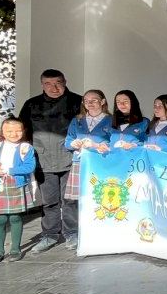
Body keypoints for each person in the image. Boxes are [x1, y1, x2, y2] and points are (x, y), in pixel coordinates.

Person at [18, 69, 83, 255]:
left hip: (71, 159)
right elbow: (23, 130)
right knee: (49, 202)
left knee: (71, 200)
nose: (54, 88)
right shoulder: (31, 104)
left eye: (58, 83)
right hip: (43, 160)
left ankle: (72, 233)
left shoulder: (78, 102)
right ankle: (49, 235)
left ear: (65, 82)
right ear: (42, 85)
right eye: (48, 84)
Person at [0, 117, 36, 265]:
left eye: (18, 131)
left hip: (15, 184)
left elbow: (29, 167)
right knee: (0, 219)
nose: (14, 134)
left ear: (23, 131)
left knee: (15, 218)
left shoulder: (26, 148)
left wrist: (6, 170)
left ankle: (15, 249)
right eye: (9, 131)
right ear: (2, 132)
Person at [60, 89, 113, 250]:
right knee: (73, 200)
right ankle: (72, 234)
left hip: (100, 165)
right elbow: (68, 140)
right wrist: (73, 143)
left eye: (94, 100)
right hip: (79, 162)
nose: (89, 103)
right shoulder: (77, 120)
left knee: (98, 198)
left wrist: (97, 146)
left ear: (102, 102)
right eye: (86, 100)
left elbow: (114, 143)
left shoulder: (111, 120)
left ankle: (99, 232)